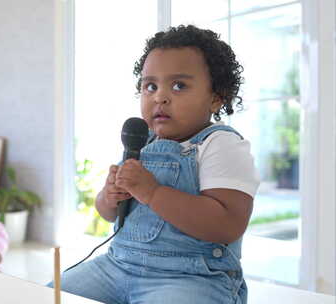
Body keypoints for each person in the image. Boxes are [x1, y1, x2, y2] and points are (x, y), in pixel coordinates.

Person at [52, 25, 260, 304]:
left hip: (191, 278)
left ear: (216, 97)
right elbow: (109, 215)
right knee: (48, 295)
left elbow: (227, 225)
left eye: (179, 85)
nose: (160, 96)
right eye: (150, 86)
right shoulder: (142, 143)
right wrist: (109, 197)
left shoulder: (219, 144)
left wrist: (152, 192)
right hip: (117, 265)